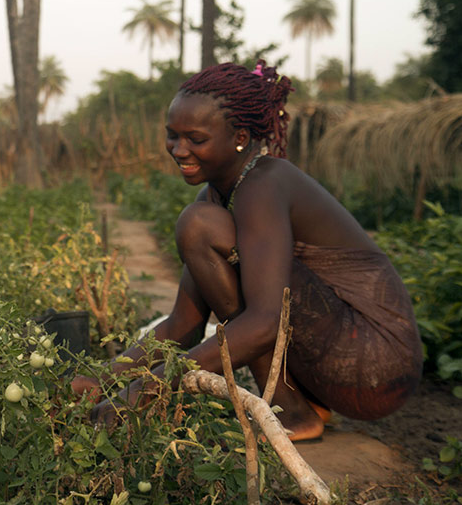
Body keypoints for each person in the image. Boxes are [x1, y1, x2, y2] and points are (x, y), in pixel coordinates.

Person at [74, 61, 422, 441]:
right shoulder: (219, 197)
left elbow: (264, 323)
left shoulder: (264, 183)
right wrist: (98, 379)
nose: (178, 149)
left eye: (195, 138)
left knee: (201, 227)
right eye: (171, 135)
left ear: (240, 136)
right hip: (342, 361)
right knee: (202, 226)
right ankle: (300, 406)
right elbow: (182, 326)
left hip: (375, 360)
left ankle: (292, 411)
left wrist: (143, 392)